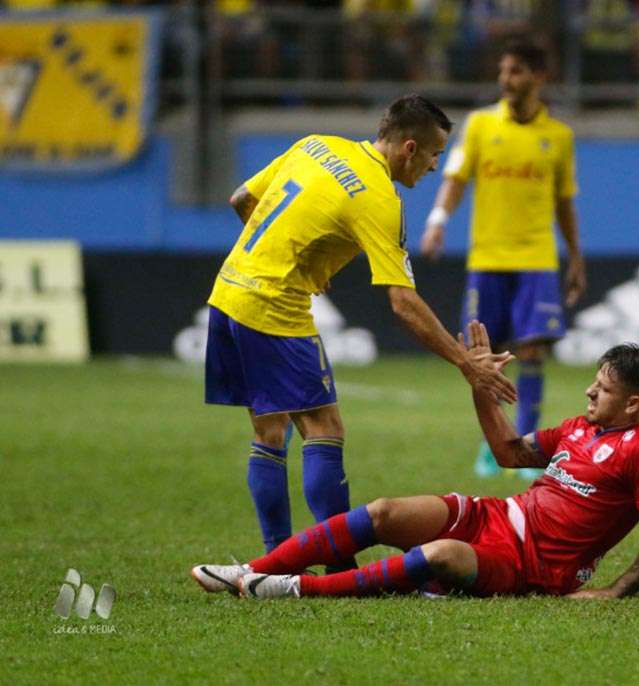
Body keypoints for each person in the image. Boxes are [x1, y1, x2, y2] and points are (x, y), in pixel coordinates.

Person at [204, 95, 517, 558]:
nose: (434, 167)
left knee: (269, 432)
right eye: (433, 155)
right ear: (409, 148)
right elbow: (403, 303)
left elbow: (241, 200)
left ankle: (276, 557)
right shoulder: (377, 197)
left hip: (227, 295)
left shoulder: (316, 145)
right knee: (324, 428)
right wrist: (465, 364)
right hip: (272, 308)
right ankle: (336, 559)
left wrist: (298, 257)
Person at [191, 324, 639, 600]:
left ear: (635, 404)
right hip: (498, 517)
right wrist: (480, 386)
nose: (590, 390)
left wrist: (615, 592)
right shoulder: (579, 427)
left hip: (534, 565)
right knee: (384, 511)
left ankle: (289, 588)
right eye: (595, 381)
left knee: (441, 554)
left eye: (604, 388)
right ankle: (248, 570)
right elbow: (509, 452)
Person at [420, 40, 587, 480]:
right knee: (485, 354)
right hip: (487, 256)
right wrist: (438, 220)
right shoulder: (478, 125)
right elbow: (455, 178)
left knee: (531, 350)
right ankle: (492, 444)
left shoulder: (559, 137)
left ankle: (527, 445)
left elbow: (564, 203)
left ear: (538, 77)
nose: (505, 80)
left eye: (514, 71)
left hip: (536, 257)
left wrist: (575, 256)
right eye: (503, 71)